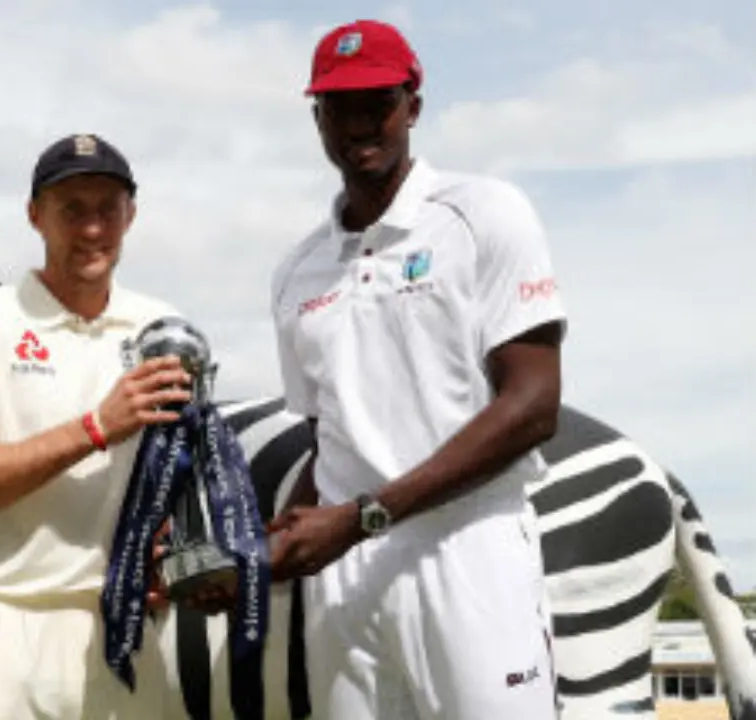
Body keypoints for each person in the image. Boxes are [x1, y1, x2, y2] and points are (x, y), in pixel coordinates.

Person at [266, 19, 567, 720]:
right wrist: (263, 551)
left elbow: (533, 405)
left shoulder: (483, 214)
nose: (359, 123)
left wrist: (363, 516)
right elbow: (331, 442)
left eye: (379, 102)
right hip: (346, 579)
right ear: (317, 118)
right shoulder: (294, 272)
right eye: (339, 107)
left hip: (468, 549)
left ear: (414, 107)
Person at [0, 132, 190, 720]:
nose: (92, 229)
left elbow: (182, 480)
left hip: (120, 633)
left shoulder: (163, 328)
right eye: (72, 210)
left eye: (107, 210)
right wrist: (95, 427)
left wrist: (179, 549)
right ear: (35, 216)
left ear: (130, 216)